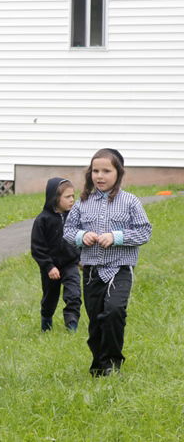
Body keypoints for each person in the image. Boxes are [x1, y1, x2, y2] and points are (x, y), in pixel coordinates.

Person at [63, 148, 152, 376]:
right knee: (96, 320)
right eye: (95, 171)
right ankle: (99, 365)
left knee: (113, 311)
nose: (100, 176)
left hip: (119, 269)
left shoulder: (130, 202)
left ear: (118, 173)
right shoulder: (82, 203)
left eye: (106, 171)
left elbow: (144, 232)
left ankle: (113, 362)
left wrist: (116, 237)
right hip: (92, 271)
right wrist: (82, 237)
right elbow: (68, 230)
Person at [30, 178, 81, 332]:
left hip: (70, 264)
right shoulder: (42, 220)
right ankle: (46, 323)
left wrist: (80, 258)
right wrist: (49, 266)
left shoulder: (74, 217)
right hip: (51, 267)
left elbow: (79, 238)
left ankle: (72, 323)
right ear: (55, 198)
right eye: (67, 197)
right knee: (50, 298)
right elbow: (37, 248)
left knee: (74, 294)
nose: (72, 200)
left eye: (73, 196)